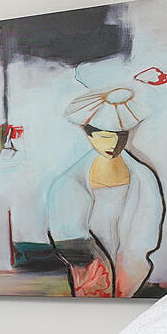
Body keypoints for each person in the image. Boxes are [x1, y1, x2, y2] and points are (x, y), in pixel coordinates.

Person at [46, 86, 165, 297]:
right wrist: (94, 270)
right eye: (103, 136)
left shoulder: (143, 179)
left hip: (130, 267)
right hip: (90, 273)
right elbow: (70, 239)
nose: (113, 144)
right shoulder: (68, 183)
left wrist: (133, 261)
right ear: (90, 136)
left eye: (120, 135)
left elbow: (146, 232)